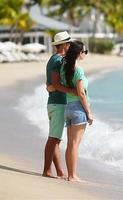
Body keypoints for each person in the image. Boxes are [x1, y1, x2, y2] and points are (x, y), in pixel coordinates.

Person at [43, 31, 76, 178]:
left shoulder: (55, 59)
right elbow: (54, 83)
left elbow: (50, 84)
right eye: (68, 43)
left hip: (55, 102)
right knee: (53, 138)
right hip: (57, 103)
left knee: (56, 138)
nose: (70, 46)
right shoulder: (57, 60)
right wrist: (72, 91)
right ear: (64, 45)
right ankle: (46, 170)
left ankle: (59, 171)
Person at [61, 40, 93, 182]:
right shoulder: (78, 70)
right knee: (75, 144)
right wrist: (89, 112)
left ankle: (70, 175)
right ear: (79, 53)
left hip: (67, 107)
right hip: (78, 109)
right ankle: (72, 176)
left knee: (70, 144)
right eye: (85, 51)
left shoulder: (64, 68)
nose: (85, 54)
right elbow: (81, 93)